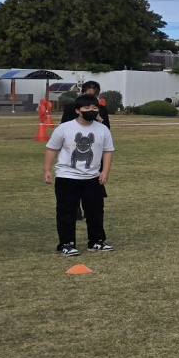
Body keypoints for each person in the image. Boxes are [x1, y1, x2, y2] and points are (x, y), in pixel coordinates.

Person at [44, 94, 115, 255]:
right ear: (77, 110)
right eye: (87, 108)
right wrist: (47, 170)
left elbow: (108, 151)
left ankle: (96, 241)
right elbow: (51, 149)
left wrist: (105, 171)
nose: (91, 110)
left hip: (92, 177)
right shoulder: (64, 128)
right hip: (67, 177)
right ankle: (66, 243)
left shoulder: (102, 129)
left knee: (95, 211)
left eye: (94, 108)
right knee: (66, 211)